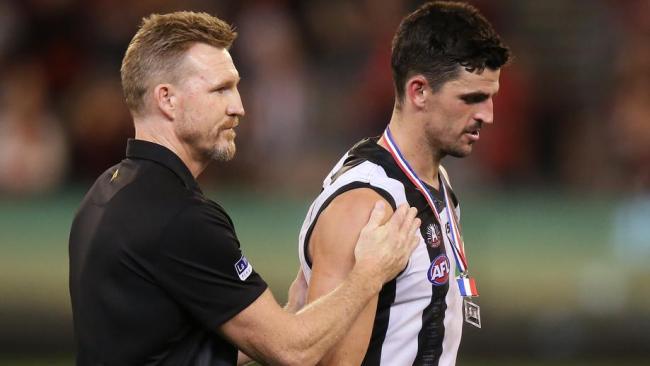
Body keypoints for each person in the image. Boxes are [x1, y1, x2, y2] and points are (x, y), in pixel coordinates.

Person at [68, 11, 422, 366]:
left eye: (236, 86)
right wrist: (370, 273)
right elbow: (293, 352)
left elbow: (170, 349)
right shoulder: (180, 217)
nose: (238, 107)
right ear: (167, 99)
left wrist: (290, 313)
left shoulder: (104, 193)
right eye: (220, 89)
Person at [298, 1, 510, 365]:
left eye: (490, 98)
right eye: (471, 98)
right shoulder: (365, 206)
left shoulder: (434, 178)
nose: (487, 116)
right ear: (419, 92)